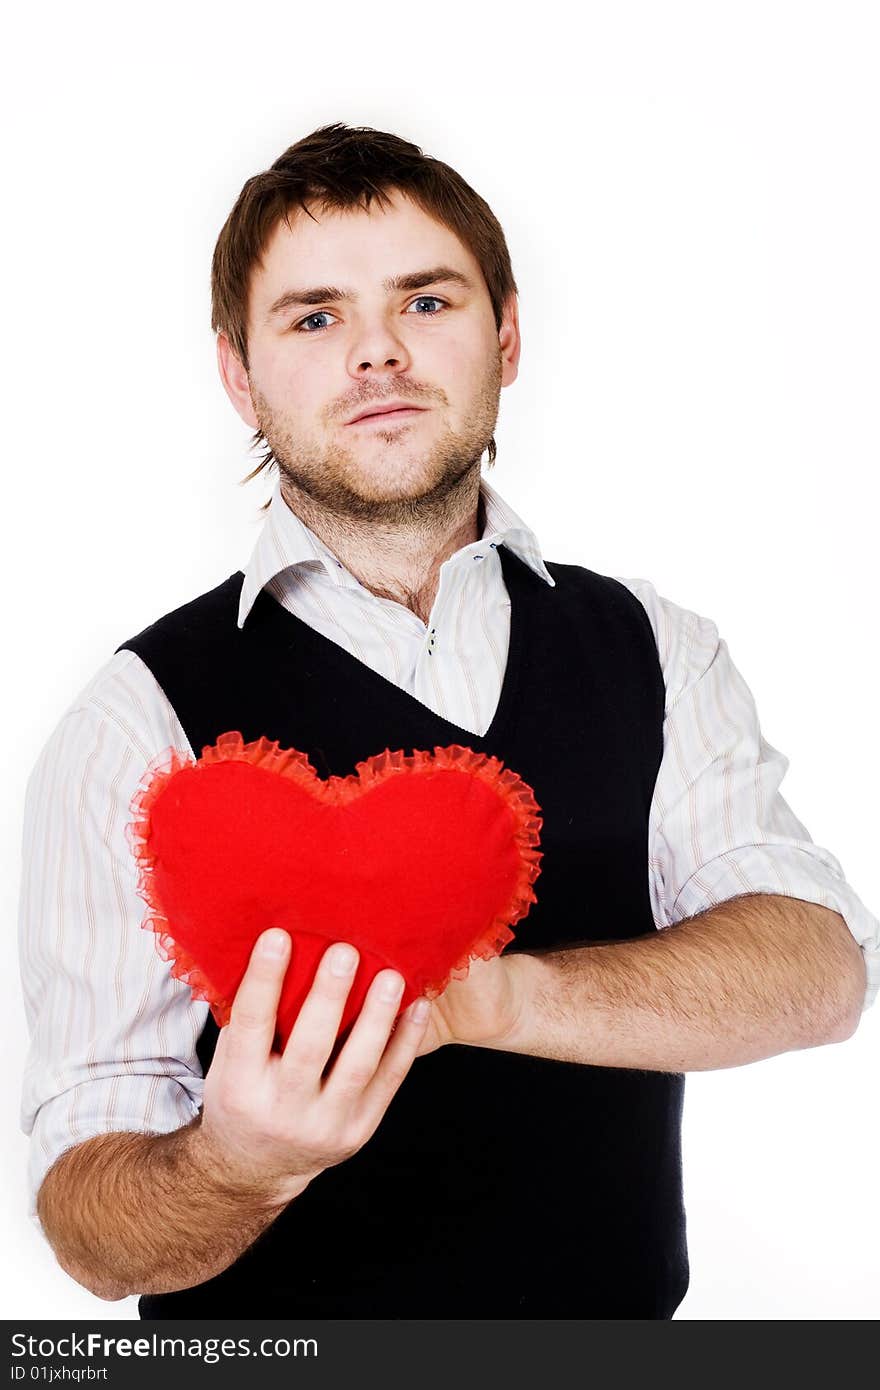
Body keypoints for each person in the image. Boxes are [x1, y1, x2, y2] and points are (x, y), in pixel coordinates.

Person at [19, 122, 879, 1320]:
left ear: (507, 335)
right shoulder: (135, 719)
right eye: (314, 318)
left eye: (425, 301)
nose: (376, 352)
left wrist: (485, 1003)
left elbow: (820, 973)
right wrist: (240, 1163)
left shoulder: (656, 649)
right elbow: (92, 1231)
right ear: (239, 374)